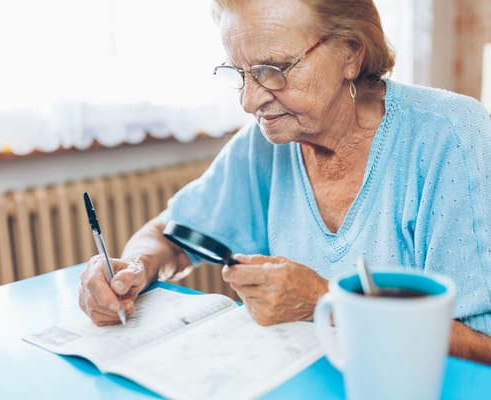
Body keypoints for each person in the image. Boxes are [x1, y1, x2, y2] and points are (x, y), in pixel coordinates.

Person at [79, 0, 491, 364]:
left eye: (272, 70)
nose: (249, 100)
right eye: (239, 72)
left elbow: (483, 346)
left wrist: (323, 301)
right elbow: (170, 235)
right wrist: (133, 268)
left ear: (350, 52)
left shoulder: (450, 135)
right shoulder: (265, 143)